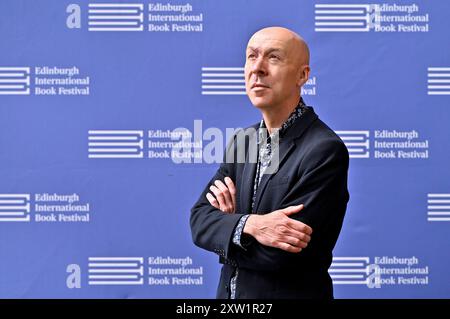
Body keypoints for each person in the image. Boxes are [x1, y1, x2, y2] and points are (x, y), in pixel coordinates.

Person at [190, 26, 349, 299]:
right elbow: (199, 220)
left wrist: (229, 227)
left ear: (303, 75)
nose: (258, 68)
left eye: (273, 58)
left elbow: (281, 254)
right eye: (252, 56)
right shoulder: (243, 141)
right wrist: (250, 225)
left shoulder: (324, 150)